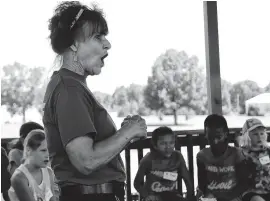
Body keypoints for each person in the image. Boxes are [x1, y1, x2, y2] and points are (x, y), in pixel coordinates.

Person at [43, 2, 147, 201]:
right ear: (73, 43)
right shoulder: (69, 89)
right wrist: (128, 132)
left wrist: (121, 135)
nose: (107, 44)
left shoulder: (71, 85)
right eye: (98, 37)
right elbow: (85, 160)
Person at [134, 126, 194, 201]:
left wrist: (189, 197)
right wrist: (147, 195)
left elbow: (187, 179)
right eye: (163, 144)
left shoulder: (177, 157)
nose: (168, 147)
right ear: (155, 145)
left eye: (171, 143)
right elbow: (137, 183)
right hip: (153, 197)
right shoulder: (148, 160)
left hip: (171, 196)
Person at [196, 114, 248, 201]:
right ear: (205, 135)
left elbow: (243, 184)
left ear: (226, 134)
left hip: (233, 196)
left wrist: (227, 198)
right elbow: (202, 184)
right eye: (211, 137)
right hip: (211, 197)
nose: (215, 141)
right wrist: (207, 195)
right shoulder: (202, 156)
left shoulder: (237, 154)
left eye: (218, 137)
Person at [239, 118, 270, 201]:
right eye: (255, 134)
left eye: (261, 133)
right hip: (250, 191)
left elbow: (267, 169)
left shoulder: (267, 151)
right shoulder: (242, 152)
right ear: (247, 136)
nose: (259, 137)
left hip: (267, 191)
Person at [8, 129, 58, 201]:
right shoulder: (19, 177)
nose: (48, 155)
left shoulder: (48, 172)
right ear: (28, 150)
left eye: (49, 150)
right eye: (43, 150)